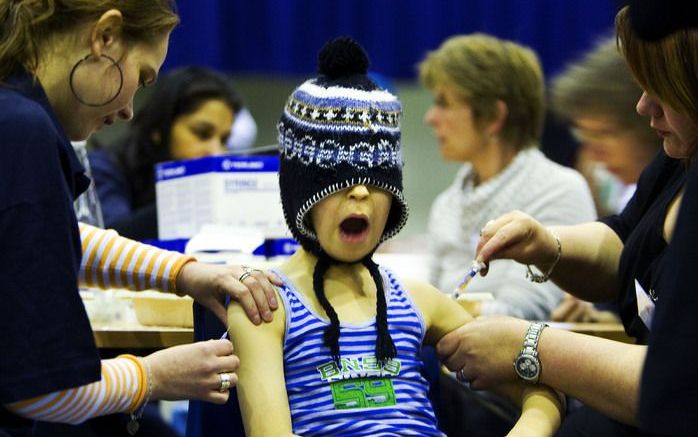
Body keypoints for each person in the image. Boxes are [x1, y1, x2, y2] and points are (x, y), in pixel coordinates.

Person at [226, 36, 564, 437]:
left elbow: (541, 388)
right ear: (301, 192)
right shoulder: (265, 305)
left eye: (375, 177)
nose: (361, 192)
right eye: (337, 177)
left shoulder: (420, 302)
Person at [0, 1, 281, 434]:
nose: (131, 108)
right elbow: (44, 388)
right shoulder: (23, 131)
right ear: (105, 36)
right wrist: (154, 376)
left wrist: (184, 273)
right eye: (143, 77)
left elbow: (50, 236)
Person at [436, 6, 698, 435]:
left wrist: (531, 345)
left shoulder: (557, 185)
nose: (643, 105)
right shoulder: (678, 158)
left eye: (661, 88)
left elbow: (679, 385)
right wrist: (546, 244)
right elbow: (627, 240)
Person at [418, 34, 596, 320]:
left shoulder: (560, 189)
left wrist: (431, 310)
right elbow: (423, 312)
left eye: (444, 103)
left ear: (492, 117)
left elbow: (521, 314)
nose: (430, 117)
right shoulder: (447, 204)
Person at [548, 36, 663, 323]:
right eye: (585, 137)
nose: (593, 153)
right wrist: (610, 319)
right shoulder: (634, 198)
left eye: (604, 133)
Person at [89, 65, 244, 241]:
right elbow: (111, 239)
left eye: (224, 140)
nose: (217, 153)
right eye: (202, 133)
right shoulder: (101, 170)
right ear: (159, 128)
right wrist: (190, 198)